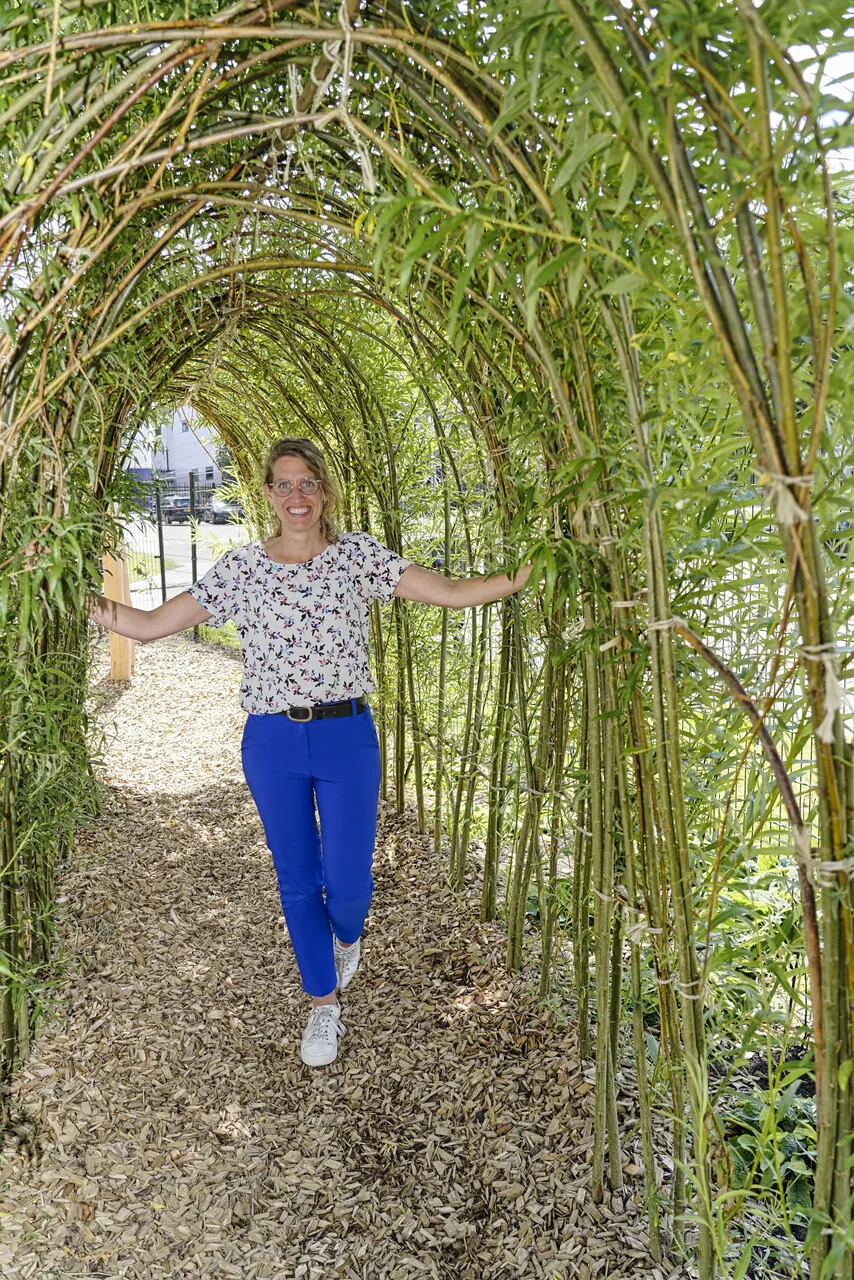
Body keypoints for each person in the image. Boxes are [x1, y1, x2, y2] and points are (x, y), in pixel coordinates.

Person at [89, 437, 533, 1067]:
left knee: (349, 880)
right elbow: (149, 625)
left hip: (346, 735)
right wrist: (72, 595)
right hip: (272, 739)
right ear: (267, 494)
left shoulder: (357, 558)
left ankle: (346, 936)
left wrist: (527, 571)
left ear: (325, 490)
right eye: (284, 484)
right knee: (297, 878)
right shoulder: (241, 569)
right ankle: (323, 1004)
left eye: (308, 483)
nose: (297, 495)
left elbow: (453, 592)